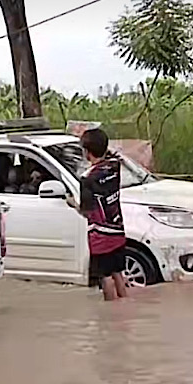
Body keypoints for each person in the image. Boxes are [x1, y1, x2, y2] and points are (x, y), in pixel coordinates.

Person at [76, 127, 129, 301]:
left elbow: (86, 211)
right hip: (118, 230)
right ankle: (124, 304)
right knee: (118, 273)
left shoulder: (87, 179)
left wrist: (72, 203)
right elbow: (112, 156)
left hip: (100, 236)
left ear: (87, 152)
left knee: (105, 276)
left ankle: (112, 313)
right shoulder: (115, 166)